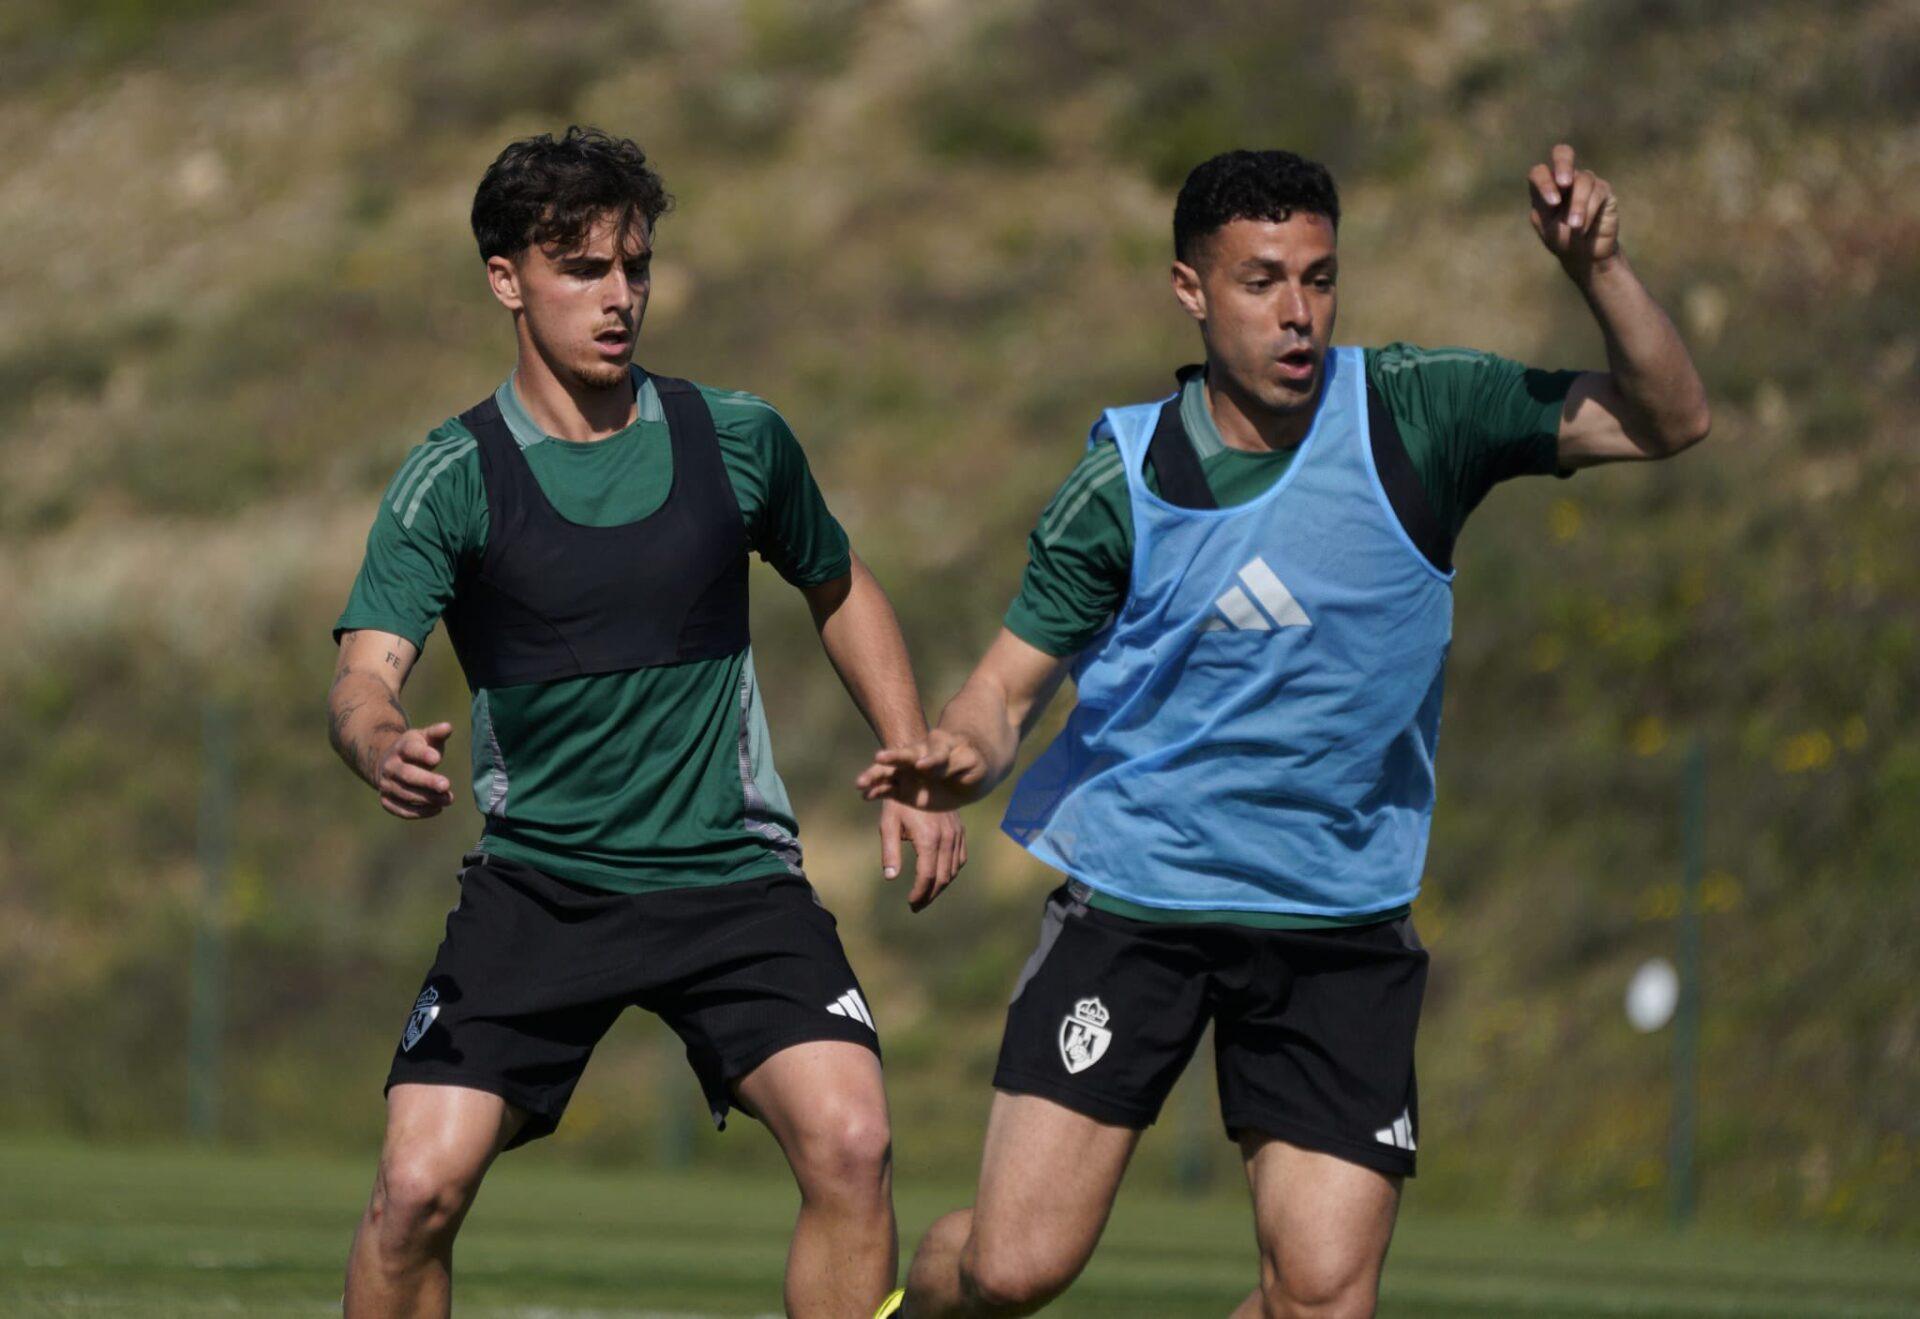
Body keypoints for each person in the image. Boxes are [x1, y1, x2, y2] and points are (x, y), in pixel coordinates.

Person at [857, 144, 1709, 1318]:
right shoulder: (1128, 474)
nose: (1297, 314)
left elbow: (1669, 417)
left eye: (1319, 277)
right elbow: (1005, 692)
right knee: (1013, 1267)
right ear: (1191, 291)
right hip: (1139, 907)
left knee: (1320, 1296)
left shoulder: (1420, 412)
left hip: (1337, 924)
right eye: (1261, 281)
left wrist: (1600, 270)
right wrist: (955, 753)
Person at [328, 126, 964, 1319]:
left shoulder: (735, 438)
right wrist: (379, 740)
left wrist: (912, 748)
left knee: (855, 1142)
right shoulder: (453, 475)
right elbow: (364, 674)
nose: (619, 297)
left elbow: (837, 581)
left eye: (635, 267)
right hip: (542, 885)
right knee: (415, 1187)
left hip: (730, 882)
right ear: (506, 279)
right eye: (582, 269)